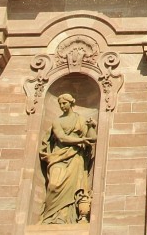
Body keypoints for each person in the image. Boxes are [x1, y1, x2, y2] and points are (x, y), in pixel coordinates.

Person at [40, 93, 96, 224]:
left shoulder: (80, 119)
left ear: (71, 103)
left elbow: (92, 138)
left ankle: (65, 217)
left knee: (74, 186)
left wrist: (92, 126)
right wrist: (80, 139)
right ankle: (50, 217)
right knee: (53, 184)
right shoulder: (57, 121)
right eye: (59, 104)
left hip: (75, 156)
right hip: (58, 156)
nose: (61, 106)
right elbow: (61, 137)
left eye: (64, 103)